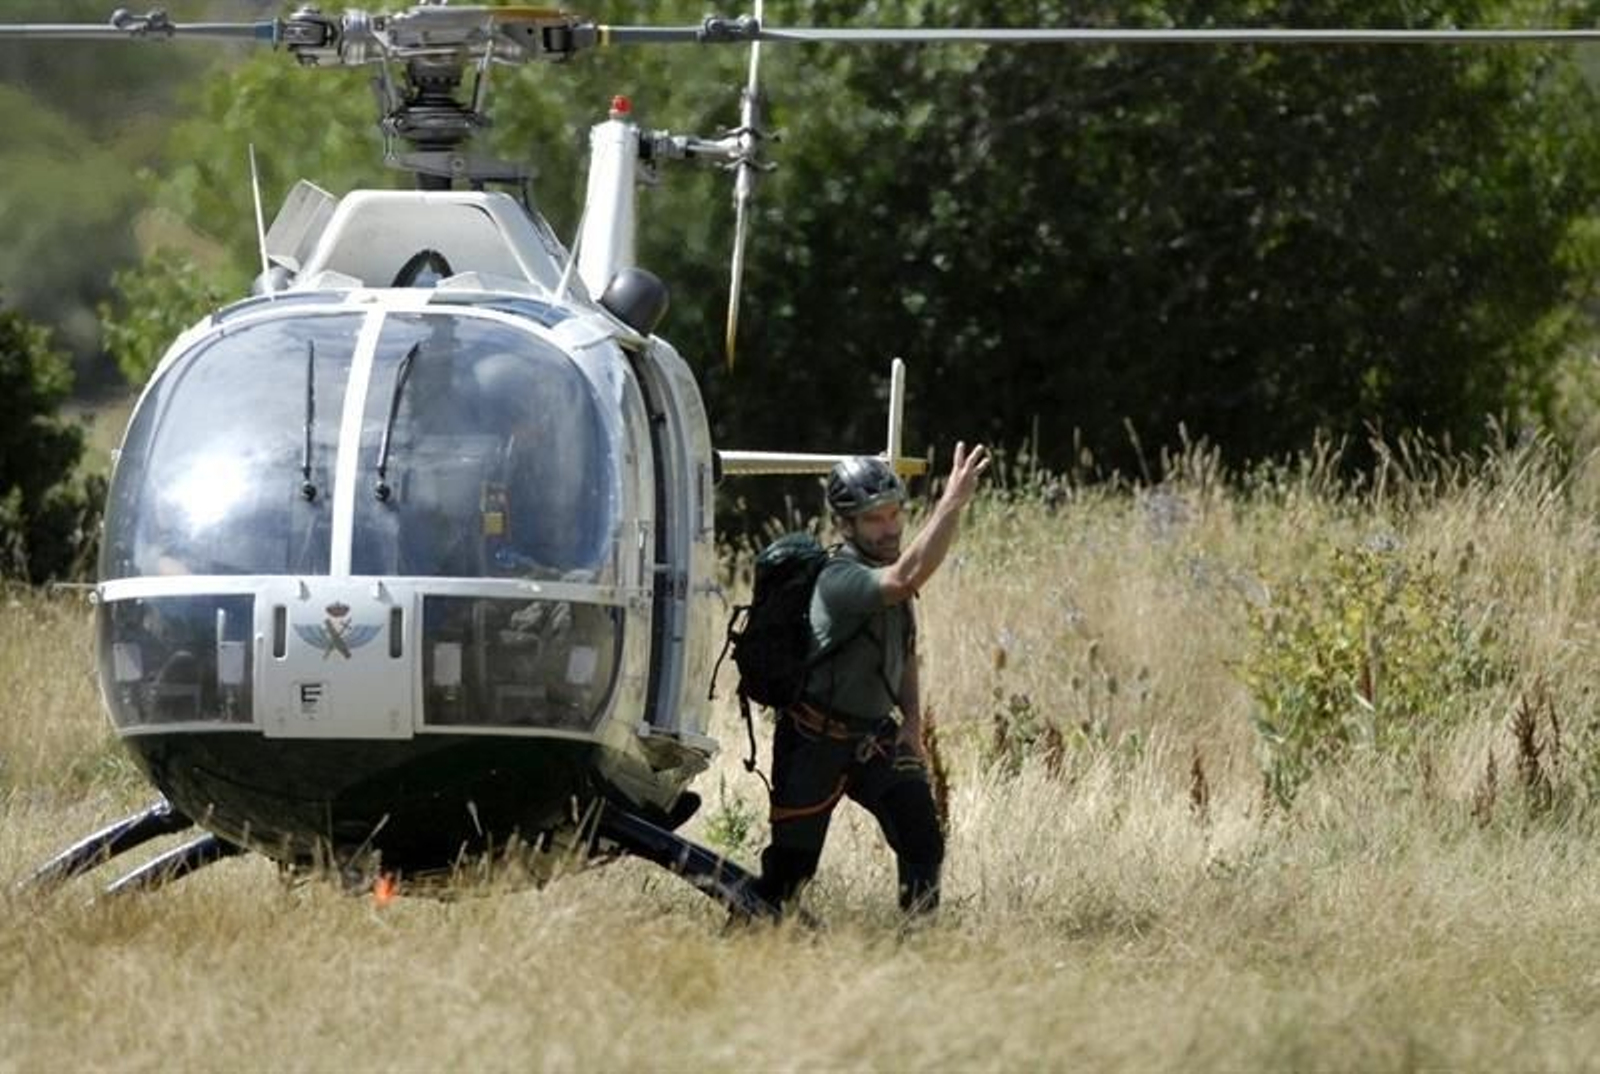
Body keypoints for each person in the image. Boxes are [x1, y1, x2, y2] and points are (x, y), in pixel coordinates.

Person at [753, 442, 991, 915]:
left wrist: (911, 723)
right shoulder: (840, 579)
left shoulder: (886, 569)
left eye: (894, 514)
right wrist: (950, 504)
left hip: (874, 740)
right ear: (845, 525)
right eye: (874, 519)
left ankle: (917, 955)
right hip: (813, 742)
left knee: (923, 843)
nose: (889, 528)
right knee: (789, 876)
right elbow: (905, 579)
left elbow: (904, 650)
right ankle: (741, 949)